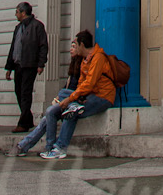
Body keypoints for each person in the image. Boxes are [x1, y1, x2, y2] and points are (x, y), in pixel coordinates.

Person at [15, 30, 114, 160]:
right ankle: (48, 148)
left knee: (70, 112)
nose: (73, 48)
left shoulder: (98, 57)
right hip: (86, 96)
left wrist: (70, 99)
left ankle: (60, 148)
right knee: (51, 111)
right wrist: (71, 98)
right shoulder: (85, 60)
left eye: (75, 45)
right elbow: (81, 85)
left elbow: (89, 84)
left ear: (82, 45)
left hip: (102, 96)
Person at [4, 1, 49, 132]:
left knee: (25, 92)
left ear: (23, 13)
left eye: (17, 12)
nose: (15, 14)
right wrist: (9, 67)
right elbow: (13, 47)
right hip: (18, 64)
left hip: (29, 64)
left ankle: (23, 122)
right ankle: (28, 119)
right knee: (19, 91)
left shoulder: (37, 26)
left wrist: (41, 64)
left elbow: (43, 46)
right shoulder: (18, 28)